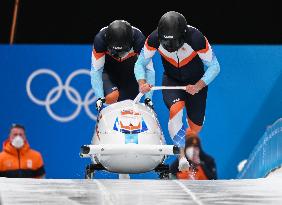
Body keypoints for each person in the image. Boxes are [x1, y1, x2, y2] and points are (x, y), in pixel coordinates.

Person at [134, 11, 220, 170]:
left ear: (184, 35)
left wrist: (199, 85)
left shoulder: (197, 39)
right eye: (167, 44)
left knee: (195, 126)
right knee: (176, 109)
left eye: (175, 43)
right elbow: (140, 64)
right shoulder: (153, 38)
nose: (171, 48)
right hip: (171, 80)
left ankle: (188, 147)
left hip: (196, 82)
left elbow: (214, 66)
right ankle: (182, 156)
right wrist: (142, 82)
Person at [90, 20, 155, 111]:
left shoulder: (139, 40)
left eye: (123, 51)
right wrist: (99, 97)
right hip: (108, 70)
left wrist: (148, 98)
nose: (119, 55)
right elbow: (96, 70)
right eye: (114, 52)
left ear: (131, 42)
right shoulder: (100, 40)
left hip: (129, 70)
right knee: (112, 96)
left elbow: (148, 69)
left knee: (129, 105)